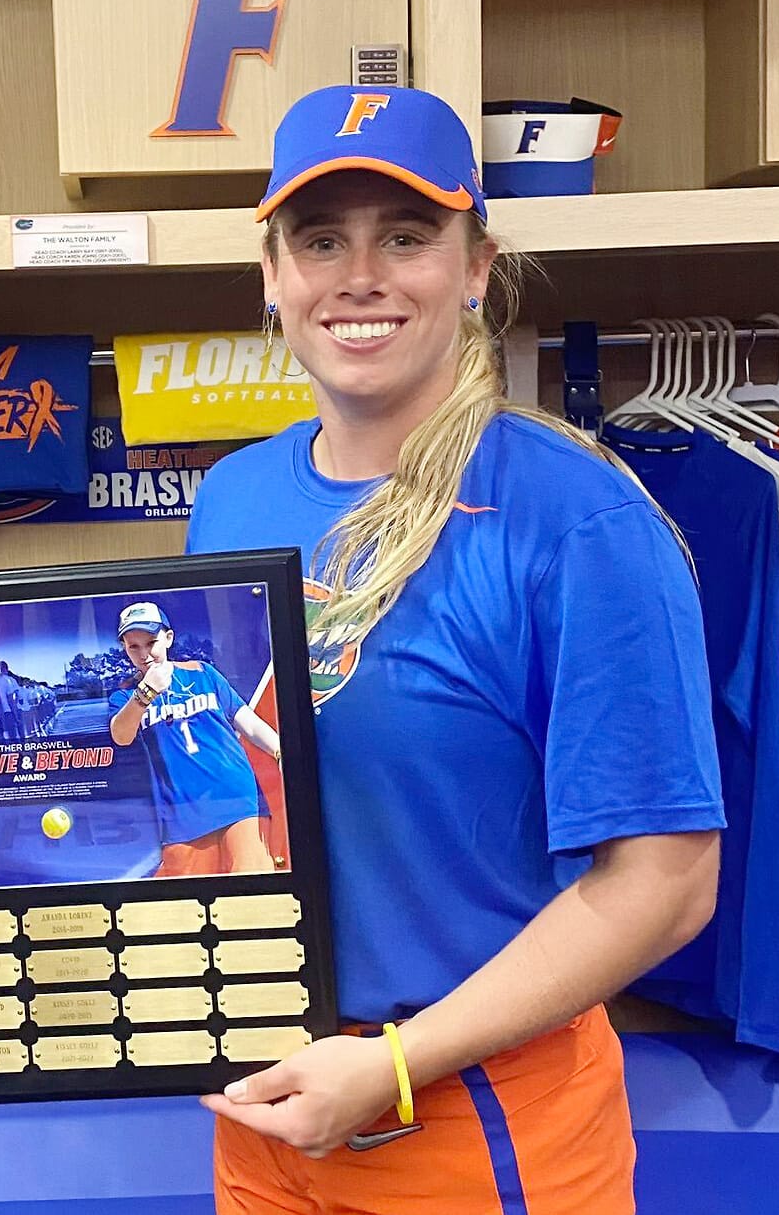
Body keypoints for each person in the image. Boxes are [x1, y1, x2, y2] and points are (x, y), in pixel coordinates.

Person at [185, 85, 724, 1214]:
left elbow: (663, 886)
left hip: (477, 1119)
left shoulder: (577, 522)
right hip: (271, 1101)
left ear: (476, 265)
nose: (360, 275)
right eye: (320, 239)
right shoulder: (232, 499)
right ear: (273, 275)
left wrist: (389, 1065)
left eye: (408, 236)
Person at [109, 601, 281, 876]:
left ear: (168, 638)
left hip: (237, 796)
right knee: (189, 908)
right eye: (134, 647)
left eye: (151, 642)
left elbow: (245, 719)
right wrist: (146, 694)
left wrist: (280, 751)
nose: (145, 654)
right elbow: (121, 735)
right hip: (181, 813)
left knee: (254, 893)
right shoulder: (125, 696)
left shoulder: (202, 673)